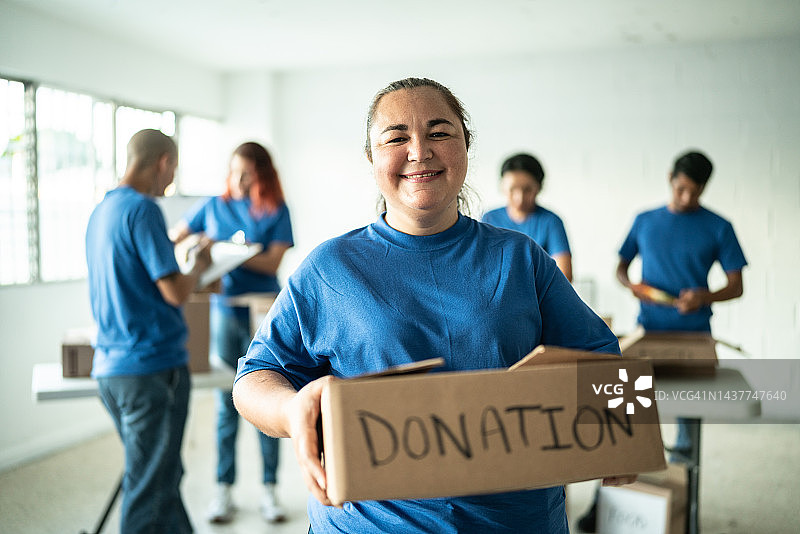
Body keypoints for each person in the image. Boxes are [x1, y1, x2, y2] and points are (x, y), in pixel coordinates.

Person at [231, 77, 634, 534]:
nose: (420, 151)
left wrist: (621, 429)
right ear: (371, 157)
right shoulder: (329, 268)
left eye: (439, 133)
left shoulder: (521, 258)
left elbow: (600, 356)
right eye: (396, 138)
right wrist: (291, 410)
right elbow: (254, 378)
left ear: (466, 147)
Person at [576, 150, 748, 533]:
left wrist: (705, 297)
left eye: (695, 192)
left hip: (694, 339)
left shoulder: (719, 226)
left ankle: (683, 512)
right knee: (622, 419)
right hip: (647, 334)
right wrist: (631, 285)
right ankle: (601, 506)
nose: (687, 198)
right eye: (682, 188)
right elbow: (621, 268)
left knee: (686, 432)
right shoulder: (645, 220)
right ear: (671, 178)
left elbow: (736, 285)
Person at [86, 128, 212, 533]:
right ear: (164, 162)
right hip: (151, 370)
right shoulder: (143, 210)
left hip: (112, 370)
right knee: (149, 491)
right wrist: (198, 265)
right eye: (172, 171)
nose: (170, 182)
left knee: (161, 479)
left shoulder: (101, 211)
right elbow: (175, 291)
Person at [172, 142, 294, 524]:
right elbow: (177, 236)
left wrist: (234, 251)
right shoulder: (213, 206)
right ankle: (223, 489)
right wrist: (199, 246)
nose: (239, 181)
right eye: (235, 172)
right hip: (224, 314)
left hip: (264, 315)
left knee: (269, 399)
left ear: (263, 175)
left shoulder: (276, 209)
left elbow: (273, 261)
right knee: (225, 403)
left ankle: (269, 490)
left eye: (248, 175)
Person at [482, 153, 573, 281]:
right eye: (512, 189)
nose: (519, 198)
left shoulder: (551, 222)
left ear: (539, 187)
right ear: (502, 186)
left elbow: (565, 276)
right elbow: (483, 268)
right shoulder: (489, 219)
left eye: (528, 190)